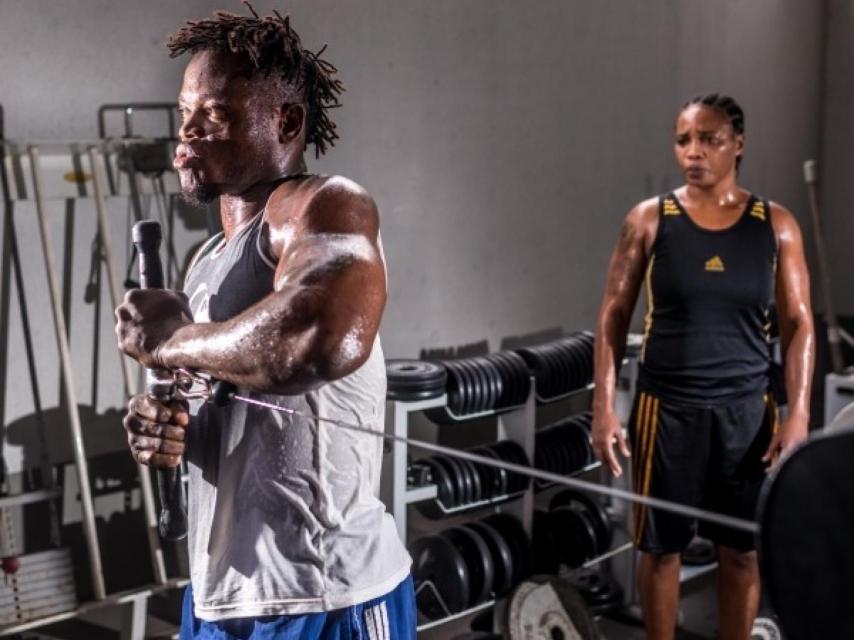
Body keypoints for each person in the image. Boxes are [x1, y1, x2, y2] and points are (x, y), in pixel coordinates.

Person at [114, 6, 414, 639]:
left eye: (215, 114)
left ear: (287, 121)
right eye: (185, 112)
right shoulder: (204, 264)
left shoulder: (327, 204)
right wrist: (170, 433)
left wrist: (170, 341)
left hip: (325, 594)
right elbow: (227, 410)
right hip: (221, 595)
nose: (188, 132)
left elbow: (318, 336)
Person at [591, 93, 815, 640]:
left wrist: (799, 416)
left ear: (738, 144)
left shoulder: (776, 225)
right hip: (666, 412)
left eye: (709, 139)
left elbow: (799, 324)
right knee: (661, 551)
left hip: (747, 415)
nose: (693, 151)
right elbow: (612, 316)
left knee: (739, 552)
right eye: (683, 139)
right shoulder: (648, 220)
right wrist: (603, 407)